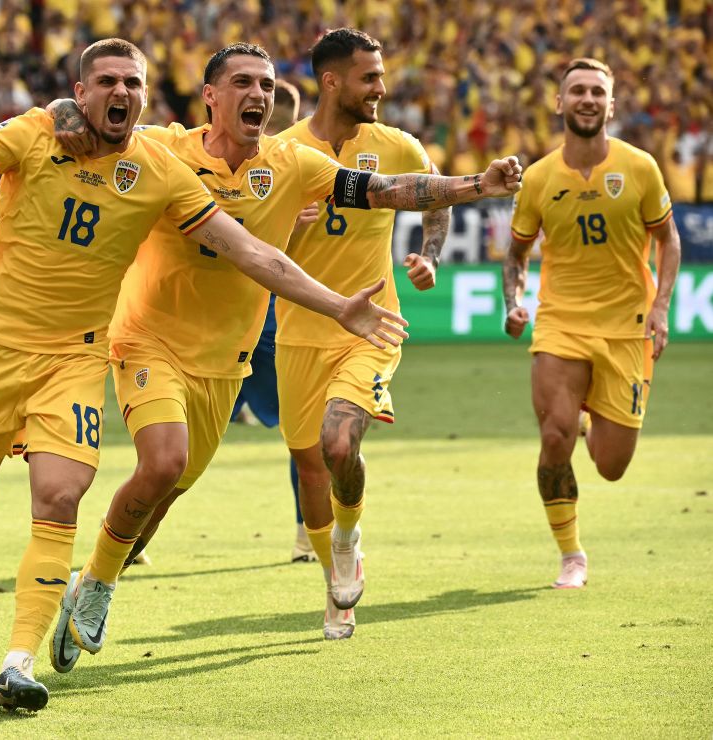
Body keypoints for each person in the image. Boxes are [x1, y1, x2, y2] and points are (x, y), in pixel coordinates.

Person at [0, 38, 411, 713]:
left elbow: (247, 249)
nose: (121, 92)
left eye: (133, 82)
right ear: (80, 90)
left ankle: (18, 661)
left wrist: (338, 307)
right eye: (106, 81)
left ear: (146, 96)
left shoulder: (159, 168)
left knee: (62, 495)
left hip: (79, 354)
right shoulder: (35, 135)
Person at [44, 41, 516, 669]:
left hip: (225, 361)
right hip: (146, 337)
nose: (258, 95)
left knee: (169, 487)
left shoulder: (290, 162)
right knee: (163, 462)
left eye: (266, 86)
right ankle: (99, 586)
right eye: (242, 83)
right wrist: (68, 112)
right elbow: (78, 114)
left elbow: (384, 190)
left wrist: (474, 184)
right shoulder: (165, 148)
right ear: (210, 96)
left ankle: (90, 580)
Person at [273, 28, 452, 640]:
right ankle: (334, 580)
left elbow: (436, 196)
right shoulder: (282, 152)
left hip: (373, 324)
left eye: (381, 75)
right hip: (298, 332)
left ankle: (348, 543)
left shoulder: (395, 144)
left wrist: (431, 251)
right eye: (369, 77)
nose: (382, 87)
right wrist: (285, 229)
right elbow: (247, 245)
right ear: (332, 82)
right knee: (311, 468)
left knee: (340, 444)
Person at [503, 58, 679, 590]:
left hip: (627, 327)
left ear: (611, 104)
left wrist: (662, 305)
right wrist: (513, 300)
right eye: (576, 90)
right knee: (554, 437)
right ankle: (571, 554)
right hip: (560, 323)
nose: (586, 99)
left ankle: (586, 420)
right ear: (559, 103)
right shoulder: (538, 178)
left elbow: (669, 240)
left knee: (610, 464)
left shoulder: (641, 168)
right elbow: (516, 254)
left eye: (596, 92)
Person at [224, 78, 317, 563]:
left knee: (172, 441)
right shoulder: (294, 163)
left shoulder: (290, 162)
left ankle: (126, 533)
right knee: (302, 432)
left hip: (232, 317)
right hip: (264, 321)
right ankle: (307, 534)